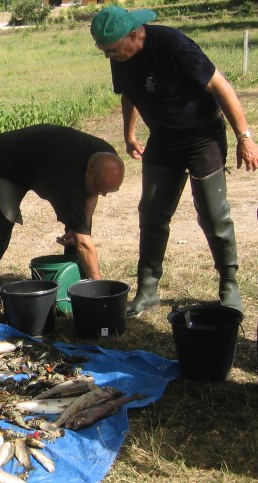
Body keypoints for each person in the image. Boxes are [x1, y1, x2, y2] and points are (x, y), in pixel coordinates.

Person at [91, 6, 258, 318]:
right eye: (104, 51)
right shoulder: (121, 56)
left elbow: (221, 86)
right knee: (152, 213)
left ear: (134, 34)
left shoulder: (173, 45)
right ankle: (148, 287)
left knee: (212, 213)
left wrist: (244, 137)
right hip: (163, 139)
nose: (108, 56)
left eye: (111, 50)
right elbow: (128, 94)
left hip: (202, 137)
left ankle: (229, 285)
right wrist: (129, 133)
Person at [0, 124, 125, 315]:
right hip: (9, 162)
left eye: (108, 190)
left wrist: (82, 225)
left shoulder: (105, 157)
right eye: (101, 187)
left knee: (79, 228)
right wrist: (100, 289)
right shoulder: (68, 174)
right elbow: (83, 243)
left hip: (45, 162)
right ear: (89, 171)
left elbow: (91, 193)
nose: (103, 194)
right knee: (1, 226)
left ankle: (72, 287)